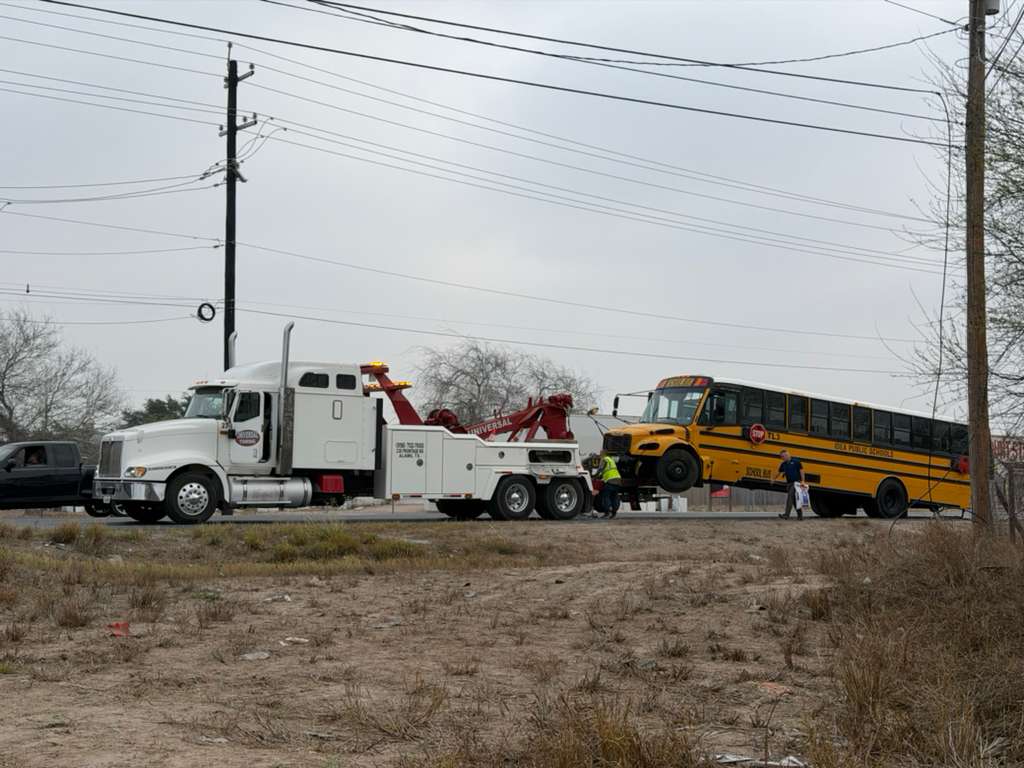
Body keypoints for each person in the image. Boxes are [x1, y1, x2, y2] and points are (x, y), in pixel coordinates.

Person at [774, 449, 806, 520]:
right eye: (782, 456)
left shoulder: (796, 462)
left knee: (790, 497)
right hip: (789, 484)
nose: (783, 457)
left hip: (796, 483)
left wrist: (803, 481)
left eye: (784, 456)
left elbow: (801, 471)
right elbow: (778, 472)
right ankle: (800, 516)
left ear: (788, 455)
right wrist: (773, 479)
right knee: (794, 500)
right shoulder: (784, 464)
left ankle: (786, 515)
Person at [594, 451, 622, 519]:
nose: (599, 455)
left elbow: (601, 469)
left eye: (600, 454)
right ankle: (614, 513)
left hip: (610, 481)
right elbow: (608, 470)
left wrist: (595, 476)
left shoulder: (605, 459)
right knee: (614, 497)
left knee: (606, 496)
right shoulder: (611, 460)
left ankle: (607, 513)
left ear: (603, 454)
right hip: (618, 480)